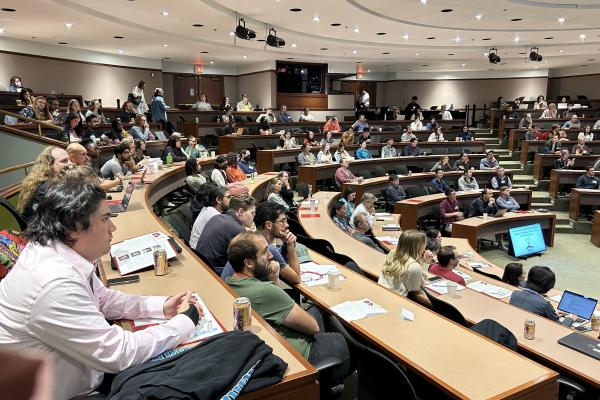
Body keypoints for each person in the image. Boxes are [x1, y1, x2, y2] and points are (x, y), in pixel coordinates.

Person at [0, 181, 203, 400]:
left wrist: (161, 307)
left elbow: (103, 299)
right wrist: (185, 321)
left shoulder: (55, 250)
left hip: (80, 376)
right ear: (74, 228)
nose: (113, 227)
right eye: (105, 219)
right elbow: (118, 353)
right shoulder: (53, 283)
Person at [224, 232, 351, 385]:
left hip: (275, 344)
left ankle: (329, 379)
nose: (271, 255)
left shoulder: (230, 281)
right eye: (264, 252)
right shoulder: (265, 291)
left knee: (318, 310)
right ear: (249, 263)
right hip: (300, 357)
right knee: (346, 340)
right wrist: (275, 282)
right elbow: (313, 327)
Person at [221, 202, 301, 283]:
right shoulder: (267, 248)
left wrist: (285, 245)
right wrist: (290, 246)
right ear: (269, 225)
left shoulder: (251, 238)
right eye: (282, 221)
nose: (287, 225)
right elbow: (296, 278)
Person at [195, 194, 257, 273]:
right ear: (240, 211)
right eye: (252, 213)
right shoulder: (237, 230)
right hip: (215, 272)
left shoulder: (217, 217)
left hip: (200, 264)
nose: (254, 216)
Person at [18, 146, 71, 222]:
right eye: (64, 161)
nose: (70, 163)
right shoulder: (45, 189)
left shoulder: (56, 181)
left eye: (69, 159)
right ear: (49, 165)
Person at [378, 230, 432, 300]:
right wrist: (425, 263)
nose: (425, 248)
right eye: (424, 245)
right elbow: (417, 287)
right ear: (418, 247)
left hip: (380, 293)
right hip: (396, 300)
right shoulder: (414, 266)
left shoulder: (392, 253)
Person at [189, 184, 230, 249]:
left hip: (197, 247)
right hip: (199, 252)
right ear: (218, 200)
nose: (230, 200)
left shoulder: (207, 208)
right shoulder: (214, 215)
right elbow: (228, 234)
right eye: (228, 197)